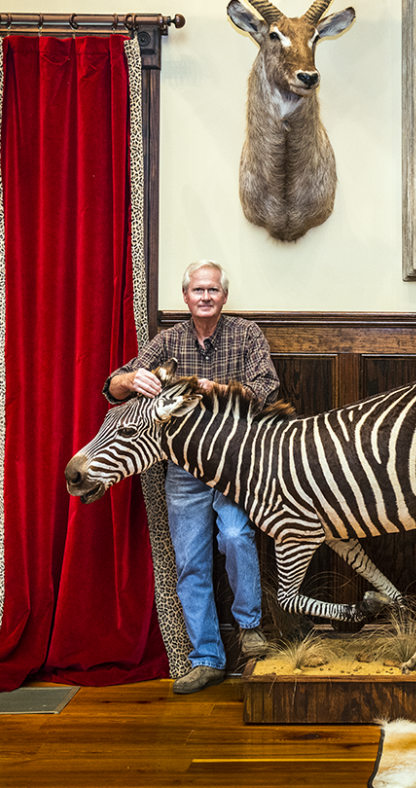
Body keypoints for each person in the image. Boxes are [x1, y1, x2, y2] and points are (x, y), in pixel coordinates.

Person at [105, 259, 279, 694]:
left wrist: (211, 389)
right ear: (185, 297)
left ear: (223, 297)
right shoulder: (167, 341)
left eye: (213, 290)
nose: (205, 297)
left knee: (237, 537)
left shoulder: (246, 334)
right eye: (198, 290)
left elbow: (266, 390)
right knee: (190, 563)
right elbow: (110, 388)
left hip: (236, 464)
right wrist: (131, 379)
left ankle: (249, 625)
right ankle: (206, 659)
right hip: (182, 469)